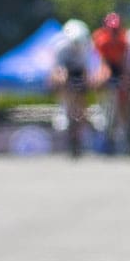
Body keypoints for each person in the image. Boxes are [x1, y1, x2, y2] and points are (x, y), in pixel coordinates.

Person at [50, 18, 93, 157]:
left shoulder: (87, 46)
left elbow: (86, 71)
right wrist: (63, 83)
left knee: (81, 105)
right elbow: (59, 70)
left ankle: (80, 123)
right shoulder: (60, 46)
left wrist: (85, 86)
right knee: (61, 82)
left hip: (79, 71)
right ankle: (64, 109)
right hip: (65, 70)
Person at [93, 11, 129, 144]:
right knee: (103, 92)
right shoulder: (101, 39)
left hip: (119, 68)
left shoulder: (124, 40)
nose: (114, 33)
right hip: (106, 67)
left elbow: (124, 62)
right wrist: (103, 76)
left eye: (116, 30)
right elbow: (101, 62)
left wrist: (125, 78)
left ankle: (123, 132)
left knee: (124, 99)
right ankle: (104, 129)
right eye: (112, 30)